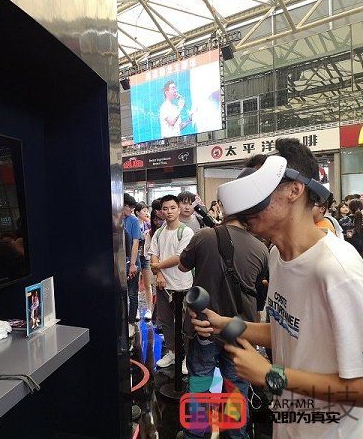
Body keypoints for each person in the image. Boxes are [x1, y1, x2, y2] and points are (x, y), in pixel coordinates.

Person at [192, 138, 363, 439]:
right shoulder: (276, 255)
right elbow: (286, 331)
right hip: (289, 424)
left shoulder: (339, 270)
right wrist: (226, 324)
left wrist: (273, 376)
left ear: (295, 190)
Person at [179, 209, 269, 439]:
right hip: (241, 329)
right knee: (236, 386)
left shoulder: (203, 236)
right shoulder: (260, 248)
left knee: (200, 381)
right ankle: (236, 434)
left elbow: (183, 266)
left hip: (204, 325)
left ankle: (195, 433)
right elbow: (260, 288)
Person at [148, 195, 194, 370]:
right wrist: (158, 273)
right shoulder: (159, 232)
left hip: (183, 285)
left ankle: (186, 357)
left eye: (172, 208)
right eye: (165, 209)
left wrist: (157, 266)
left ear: (178, 209)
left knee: (185, 324)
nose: (169, 212)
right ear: (161, 211)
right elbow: (153, 253)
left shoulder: (186, 232)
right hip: (162, 285)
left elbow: (179, 257)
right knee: (166, 321)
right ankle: (173, 352)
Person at [123, 193, 142, 324]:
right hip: (119, 263)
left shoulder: (133, 220)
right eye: (129, 207)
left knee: (132, 294)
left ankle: (131, 323)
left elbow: (136, 243)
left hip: (132, 262)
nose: (131, 210)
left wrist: (133, 264)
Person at [135, 202, 153, 321]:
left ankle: (149, 309)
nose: (146, 213)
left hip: (145, 256)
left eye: (147, 210)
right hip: (136, 257)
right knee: (135, 285)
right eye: (144, 210)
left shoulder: (148, 224)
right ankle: (135, 309)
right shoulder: (134, 223)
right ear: (137, 212)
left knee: (147, 284)